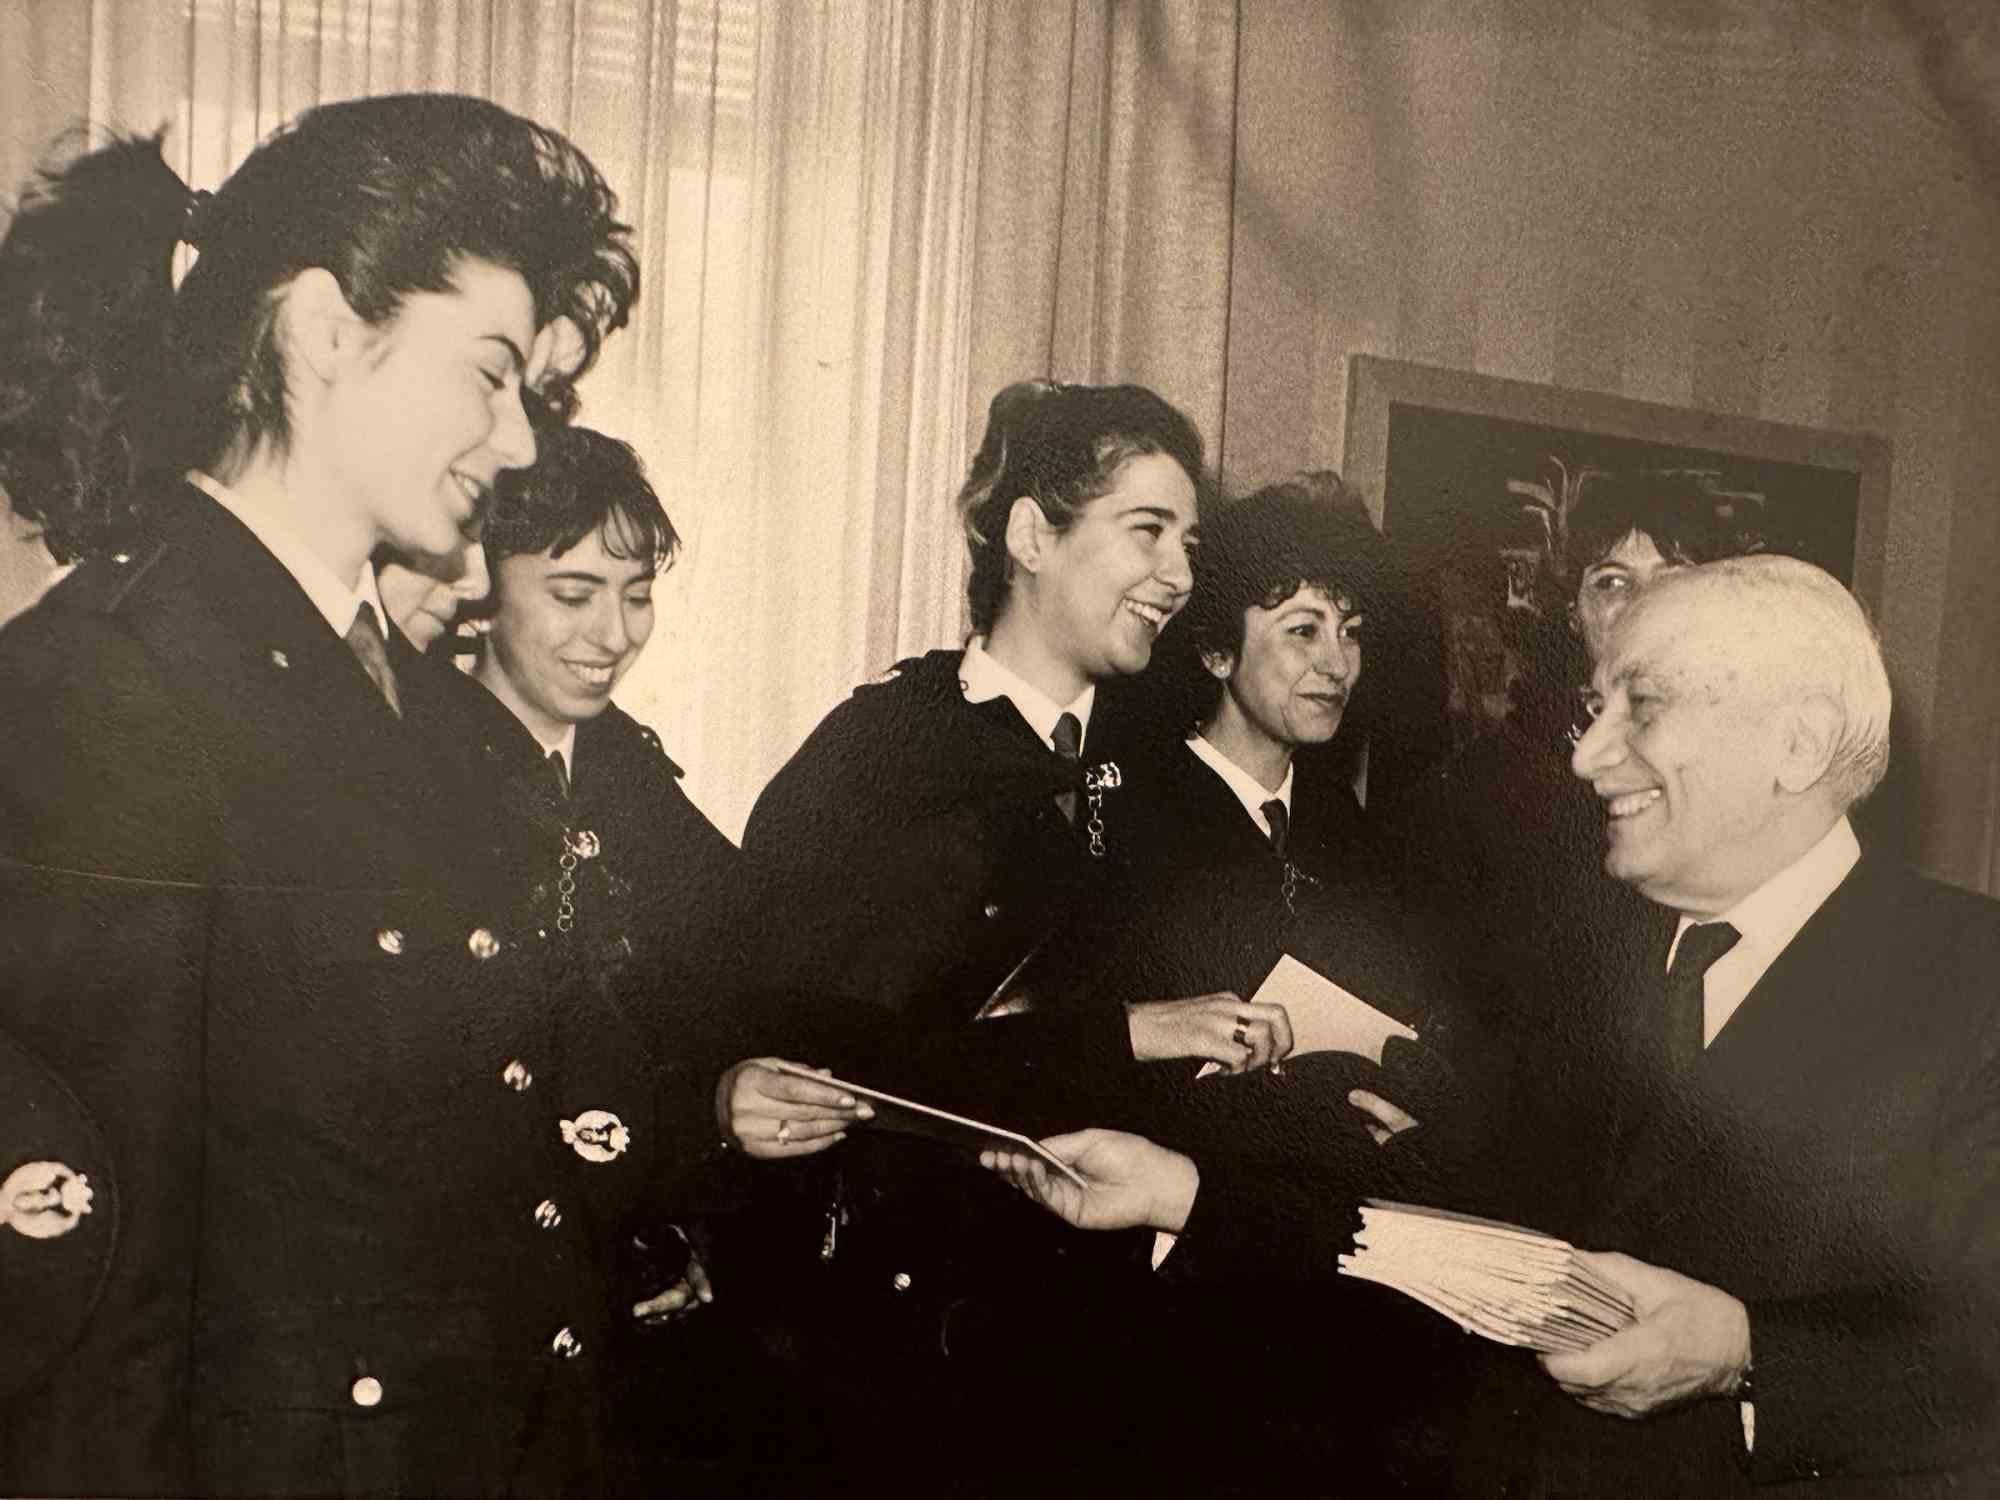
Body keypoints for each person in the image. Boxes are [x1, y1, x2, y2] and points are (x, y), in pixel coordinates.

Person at [990, 556, 2000, 1496]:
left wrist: (1746, 1354)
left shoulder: (1971, 985)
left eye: (1636, 710)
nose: (1590, 758)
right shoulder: (1580, 961)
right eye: (1592, 711)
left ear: (1797, 744)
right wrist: (1180, 1193)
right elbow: (1454, 1223)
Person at [0, 99, 637, 1496]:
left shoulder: (410, 702)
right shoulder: (111, 686)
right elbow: (97, 1298)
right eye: (487, 375)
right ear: (323, 331)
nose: (520, 444)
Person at [710, 379, 1289, 1482]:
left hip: (1105, 1346)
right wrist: (1130, 1033)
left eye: (1188, 542)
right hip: (904, 1357)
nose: (1178, 576)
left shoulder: (1158, 772)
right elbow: (832, 1055)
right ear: (1030, 533)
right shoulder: (882, 754)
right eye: (1145, 531)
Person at [416, 423, 756, 1484]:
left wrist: (683, 1210)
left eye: (637, 591)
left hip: (624, 1313)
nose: (614, 632)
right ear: (481, 582)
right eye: (572, 593)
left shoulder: (634, 780)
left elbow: (730, 997)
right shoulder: (404, 765)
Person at [1077, 472, 1436, 1171]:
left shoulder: (1349, 826)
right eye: (1303, 631)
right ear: (1216, 651)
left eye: (1351, 633)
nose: (1338, 664)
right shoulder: (1120, 808)